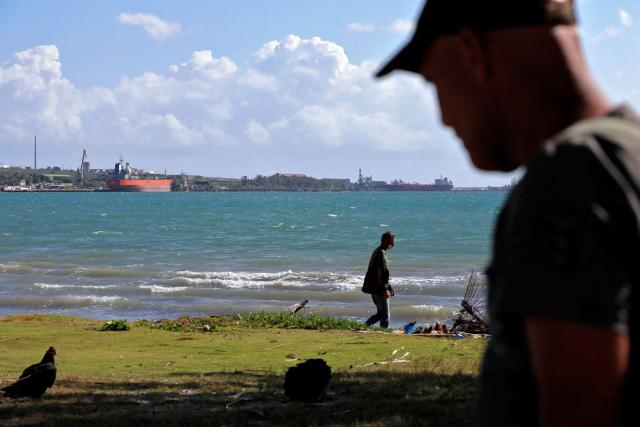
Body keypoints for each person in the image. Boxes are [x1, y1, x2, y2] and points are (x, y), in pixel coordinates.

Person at [376, 1, 639, 426]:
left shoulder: (568, 178)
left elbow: (579, 410)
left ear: (472, 52)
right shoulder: (627, 155)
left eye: (436, 83)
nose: (443, 117)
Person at [362, 231, 396, 328]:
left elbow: (382, 273)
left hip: (374, 287)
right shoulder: (380, 253)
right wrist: (385, 290)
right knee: (385, 315)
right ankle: (384, 333)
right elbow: (380, 273)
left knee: (380, 314)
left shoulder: (378, 251)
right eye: (392, 239)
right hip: (378, 289)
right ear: (386, 240)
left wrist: (389, 287)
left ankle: (365, 326)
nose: (394, 241)